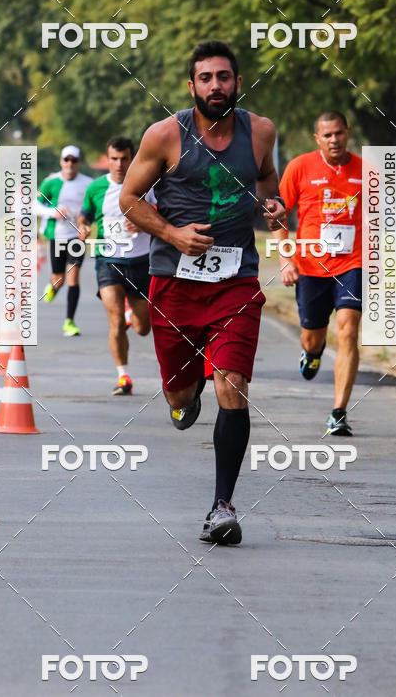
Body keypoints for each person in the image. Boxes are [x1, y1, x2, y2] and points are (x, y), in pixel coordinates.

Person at [119, 40, 286, 545]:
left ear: (238, 81)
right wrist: (173, 235)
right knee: (182, 395)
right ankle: (179, 401)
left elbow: (266, 182)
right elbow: (129, 199)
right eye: (207, 78)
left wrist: (273, 205)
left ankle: (222, 506)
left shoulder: (260, 131)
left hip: (236, 282)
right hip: (174, 285)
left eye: (225, 77)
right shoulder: (165, 135)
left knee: (231, 385)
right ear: (191, 86)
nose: (217, 86)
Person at [274, 111, 362, 437]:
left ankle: (338, 412)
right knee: (313, 335)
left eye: (339, 133)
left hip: (352, 262)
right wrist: (286, 260)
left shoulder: (366, 171)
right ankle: (312, 352)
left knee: (349, 329)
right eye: (327, 135)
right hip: (311, 266)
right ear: (317, 138)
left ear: (347, 133)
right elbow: (279, 218)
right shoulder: (299, 167)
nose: (334, 140)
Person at [77, 136, 155, 396]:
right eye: (114, 159)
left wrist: (145, 220)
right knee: (115, 321)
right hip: (108, 260)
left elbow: (163, 211)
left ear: (133, 159)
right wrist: (83, 226)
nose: (119, 164)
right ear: (107, 159)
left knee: (144, 328)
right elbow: (85, 214)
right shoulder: (96, 188)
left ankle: (133, 316)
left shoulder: (147, 184)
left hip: (142, 261)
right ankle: (123, 376)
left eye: (124, 159)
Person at [37, 145, 93, 337]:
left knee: (73, 277)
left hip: (76, 237)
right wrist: (52, 212)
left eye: (74, 160)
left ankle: (69, 322)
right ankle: (53, 286)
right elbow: (33, 206)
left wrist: (86, 218)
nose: (70, 164)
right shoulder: (50, 182)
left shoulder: (88, 183)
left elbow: (94, 206)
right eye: (66, 160)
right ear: (61, 161)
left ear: (79, 163)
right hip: (56, 236)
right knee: (59, 279)